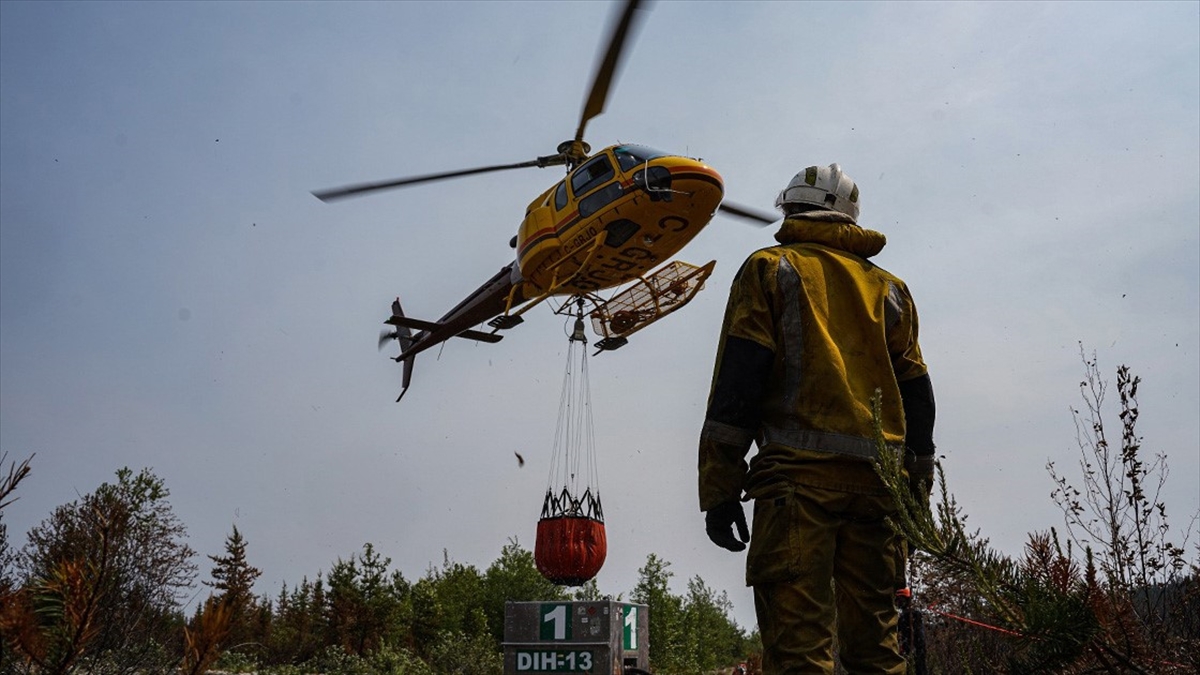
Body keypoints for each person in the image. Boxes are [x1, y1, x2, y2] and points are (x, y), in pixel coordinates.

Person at [697, 164, 936, 674]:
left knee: (800, 654)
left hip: (797, 490)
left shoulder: (770, 268)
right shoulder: (889, 289)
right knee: (878, 651)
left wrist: (719, 488)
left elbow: (739, 383)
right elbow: (917, 391)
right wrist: (916, 492)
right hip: (879, 494)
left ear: (790, 208)